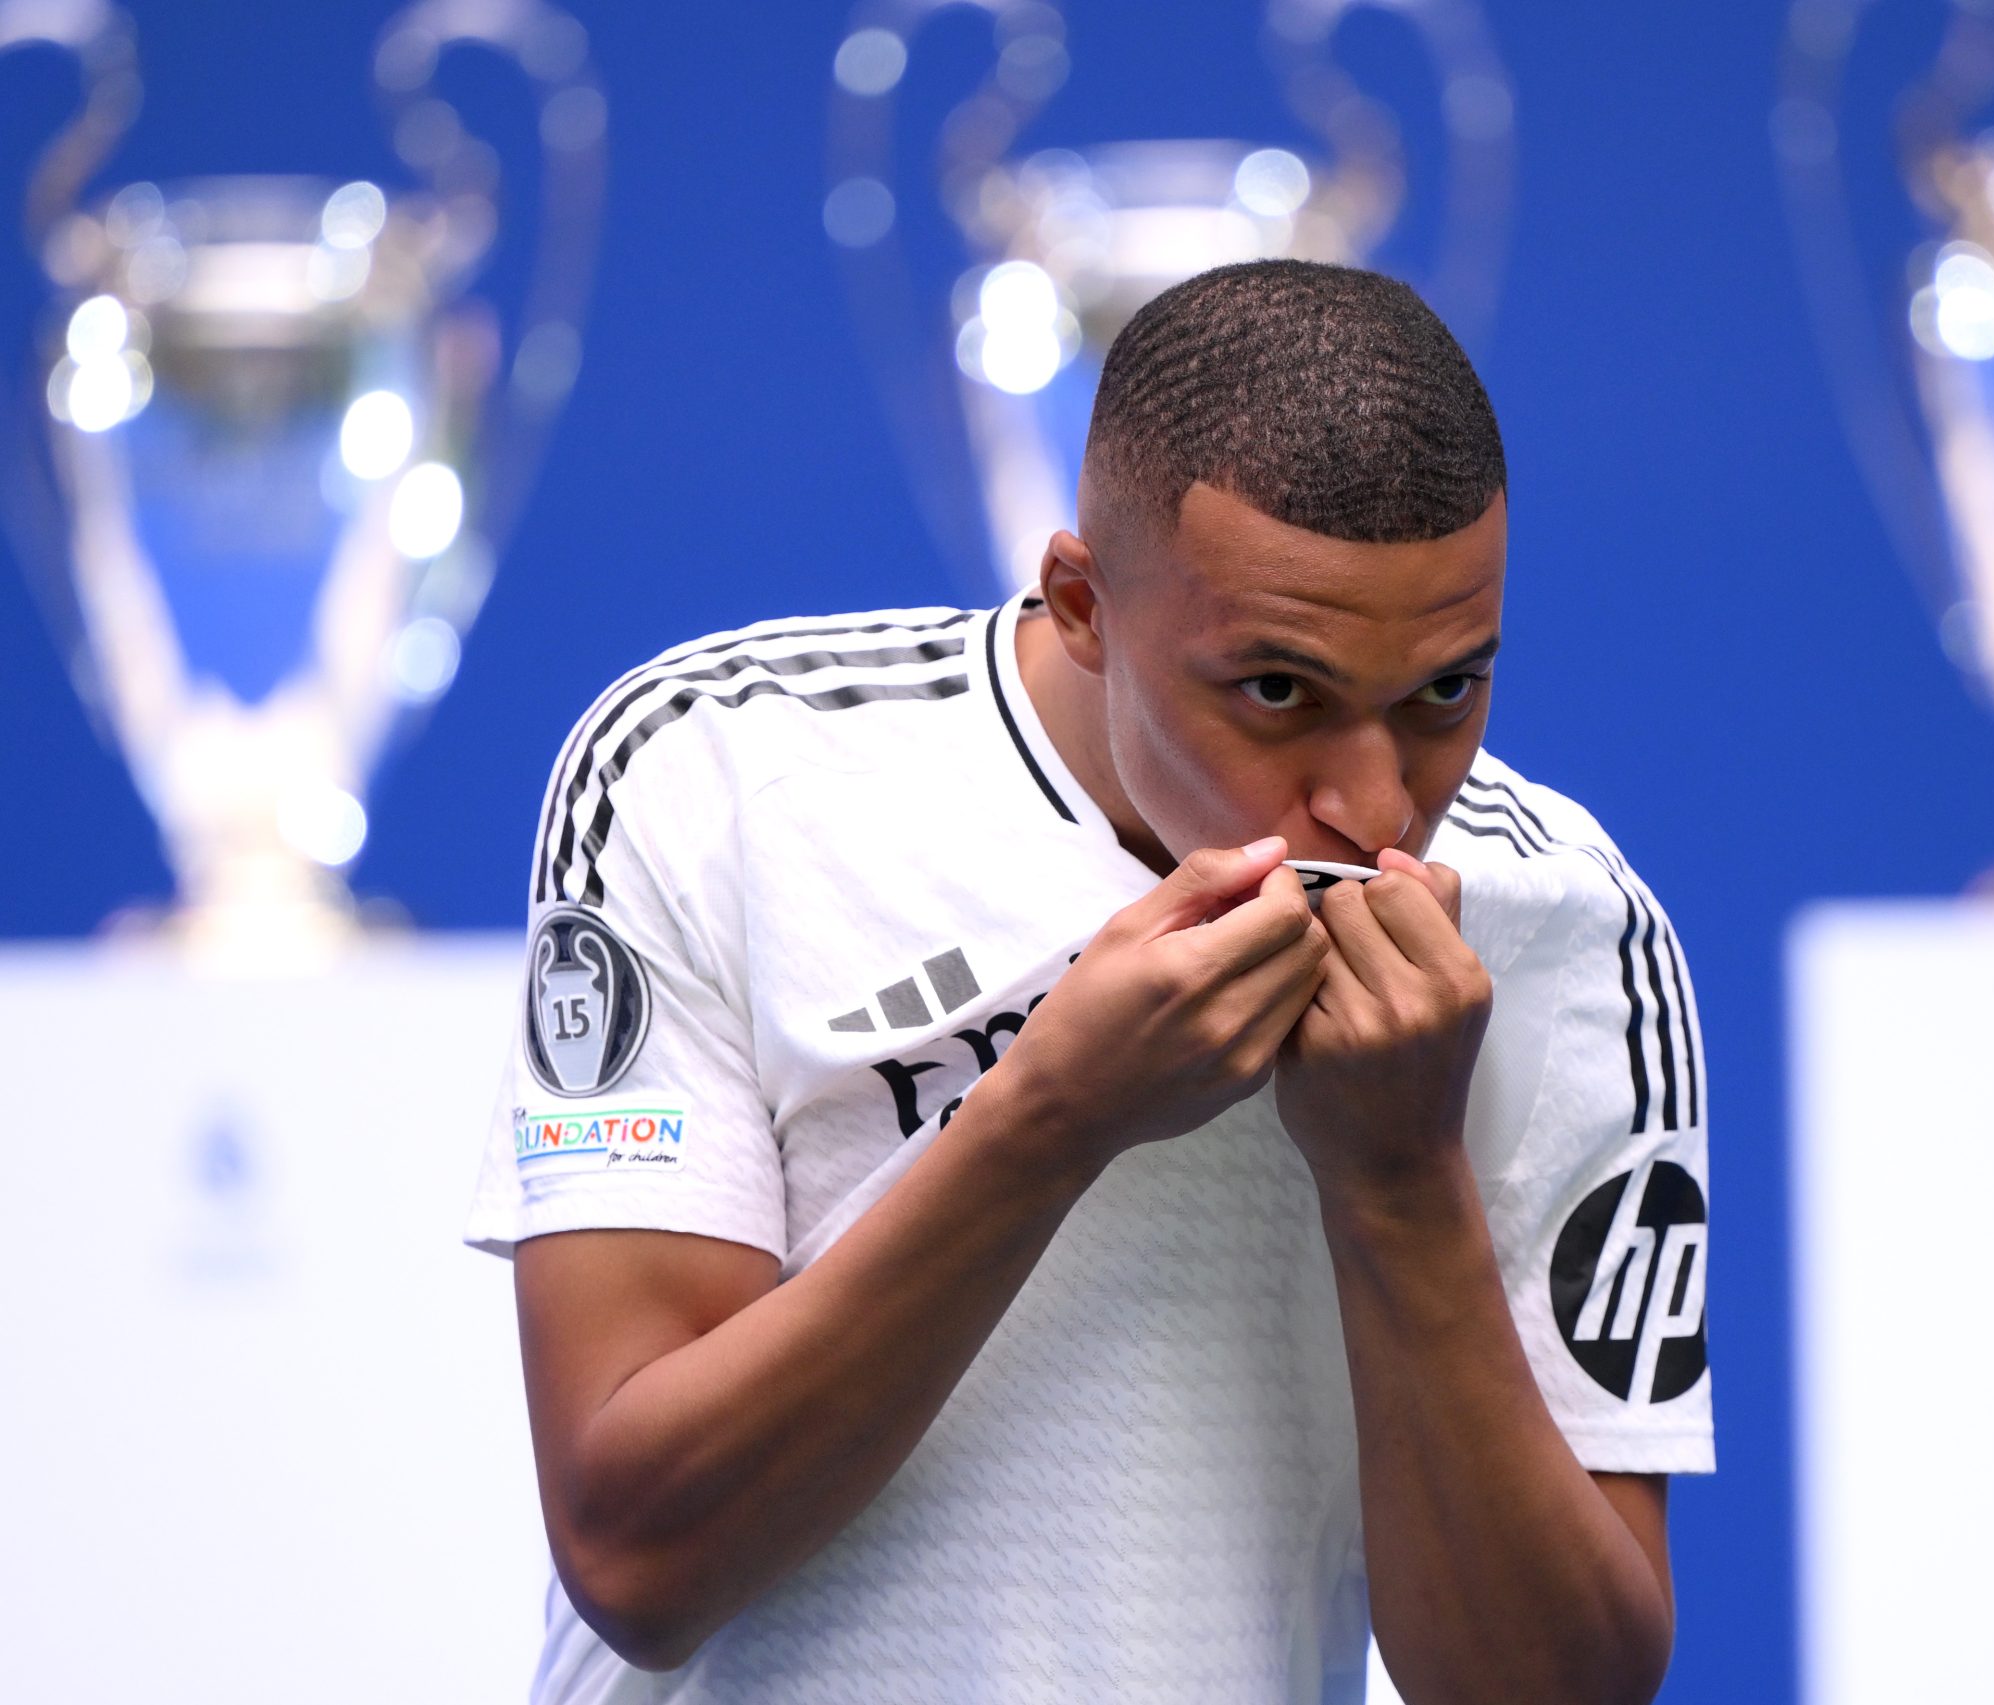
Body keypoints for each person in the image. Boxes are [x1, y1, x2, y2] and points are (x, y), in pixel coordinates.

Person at [466, 259, 1711, 1705]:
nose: (1373, 808)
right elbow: (636, 1558)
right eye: (1279, 691)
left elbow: (1554, 1692)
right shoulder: (711, 770)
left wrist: (1398, 1176)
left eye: (1445, 692)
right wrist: (1053, 1111)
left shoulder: (1571, 920)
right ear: (1081, 603)